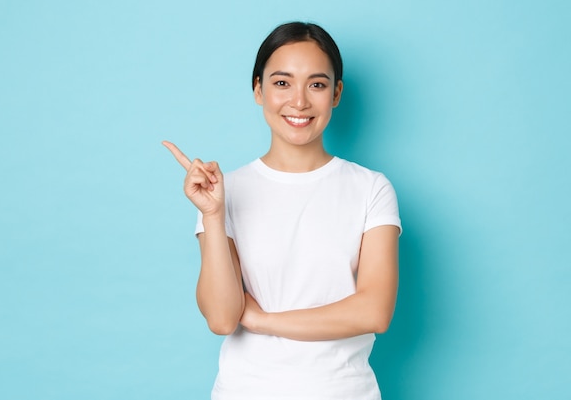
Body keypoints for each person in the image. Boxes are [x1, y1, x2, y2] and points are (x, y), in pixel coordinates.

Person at [163, 21, 401, 400]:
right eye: (282, 82)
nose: (300, 101)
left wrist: (262, 319)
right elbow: (223, 318)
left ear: (336, 93)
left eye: (317, 84)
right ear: (258, 89)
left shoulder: (371, 188)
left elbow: (374, 311)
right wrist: (212, 214)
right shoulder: (226, 191)